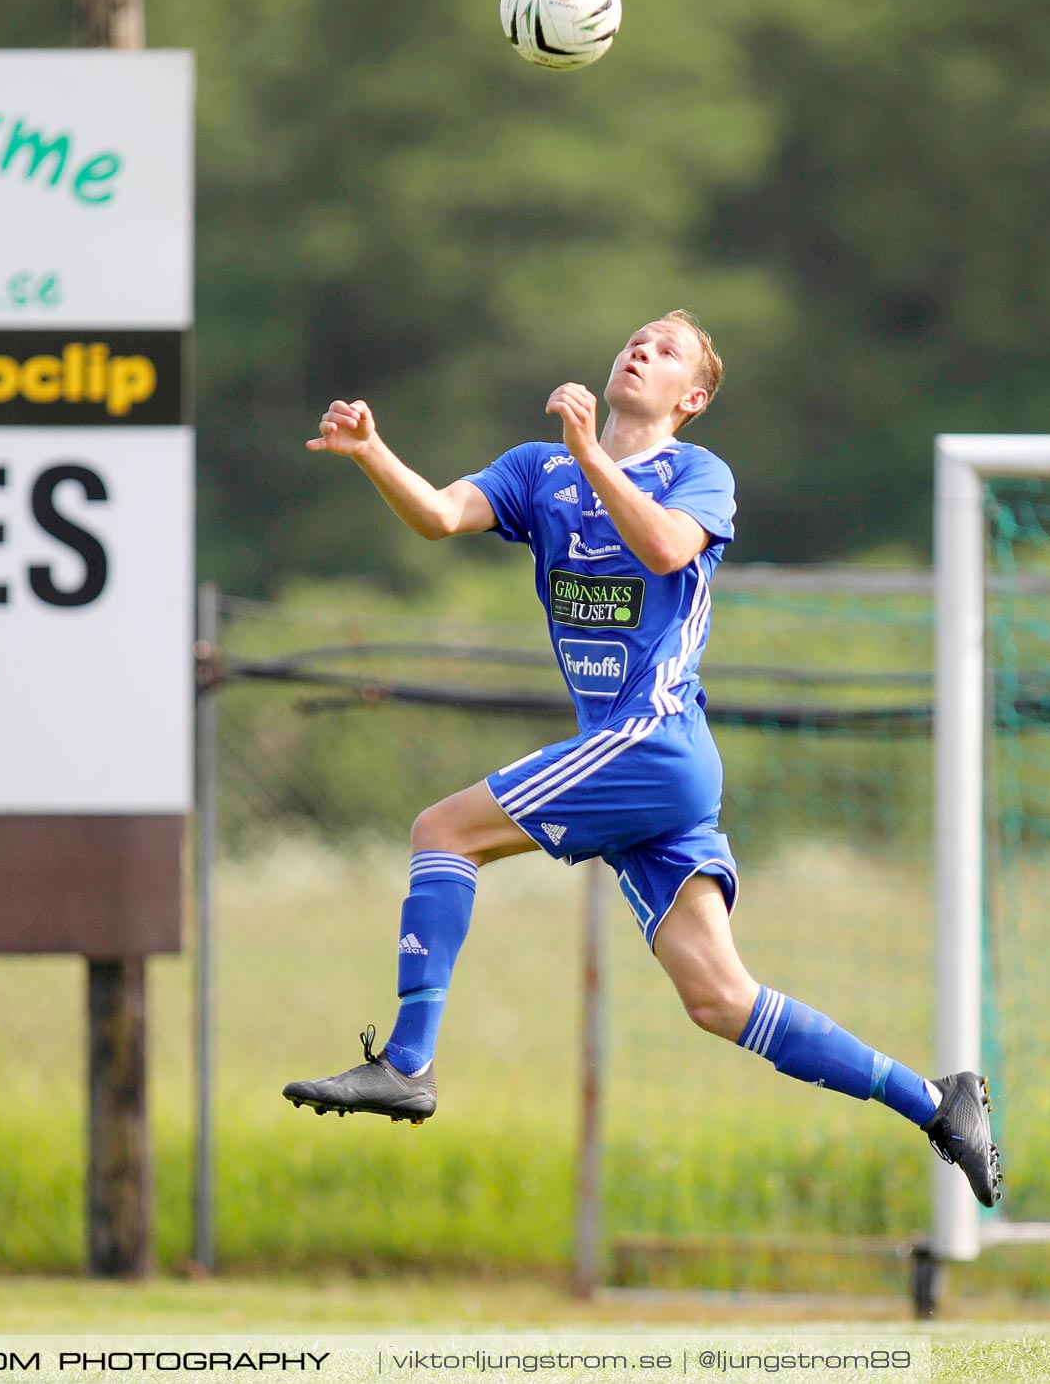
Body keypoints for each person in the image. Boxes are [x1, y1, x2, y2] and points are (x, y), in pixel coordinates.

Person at [280, 311, 1002, 1208]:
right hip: (637, 767)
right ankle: (939, 1104)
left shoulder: (698, 473)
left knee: (442, 830)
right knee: (719, 999)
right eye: (636, 338)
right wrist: (373, 453)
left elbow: (665, 546)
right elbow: (436, 516)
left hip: (655, 745)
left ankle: (409, 1063)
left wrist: (592, 454)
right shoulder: (535, 469)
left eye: (666, 350)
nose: (641, 348)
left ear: (690, 398)